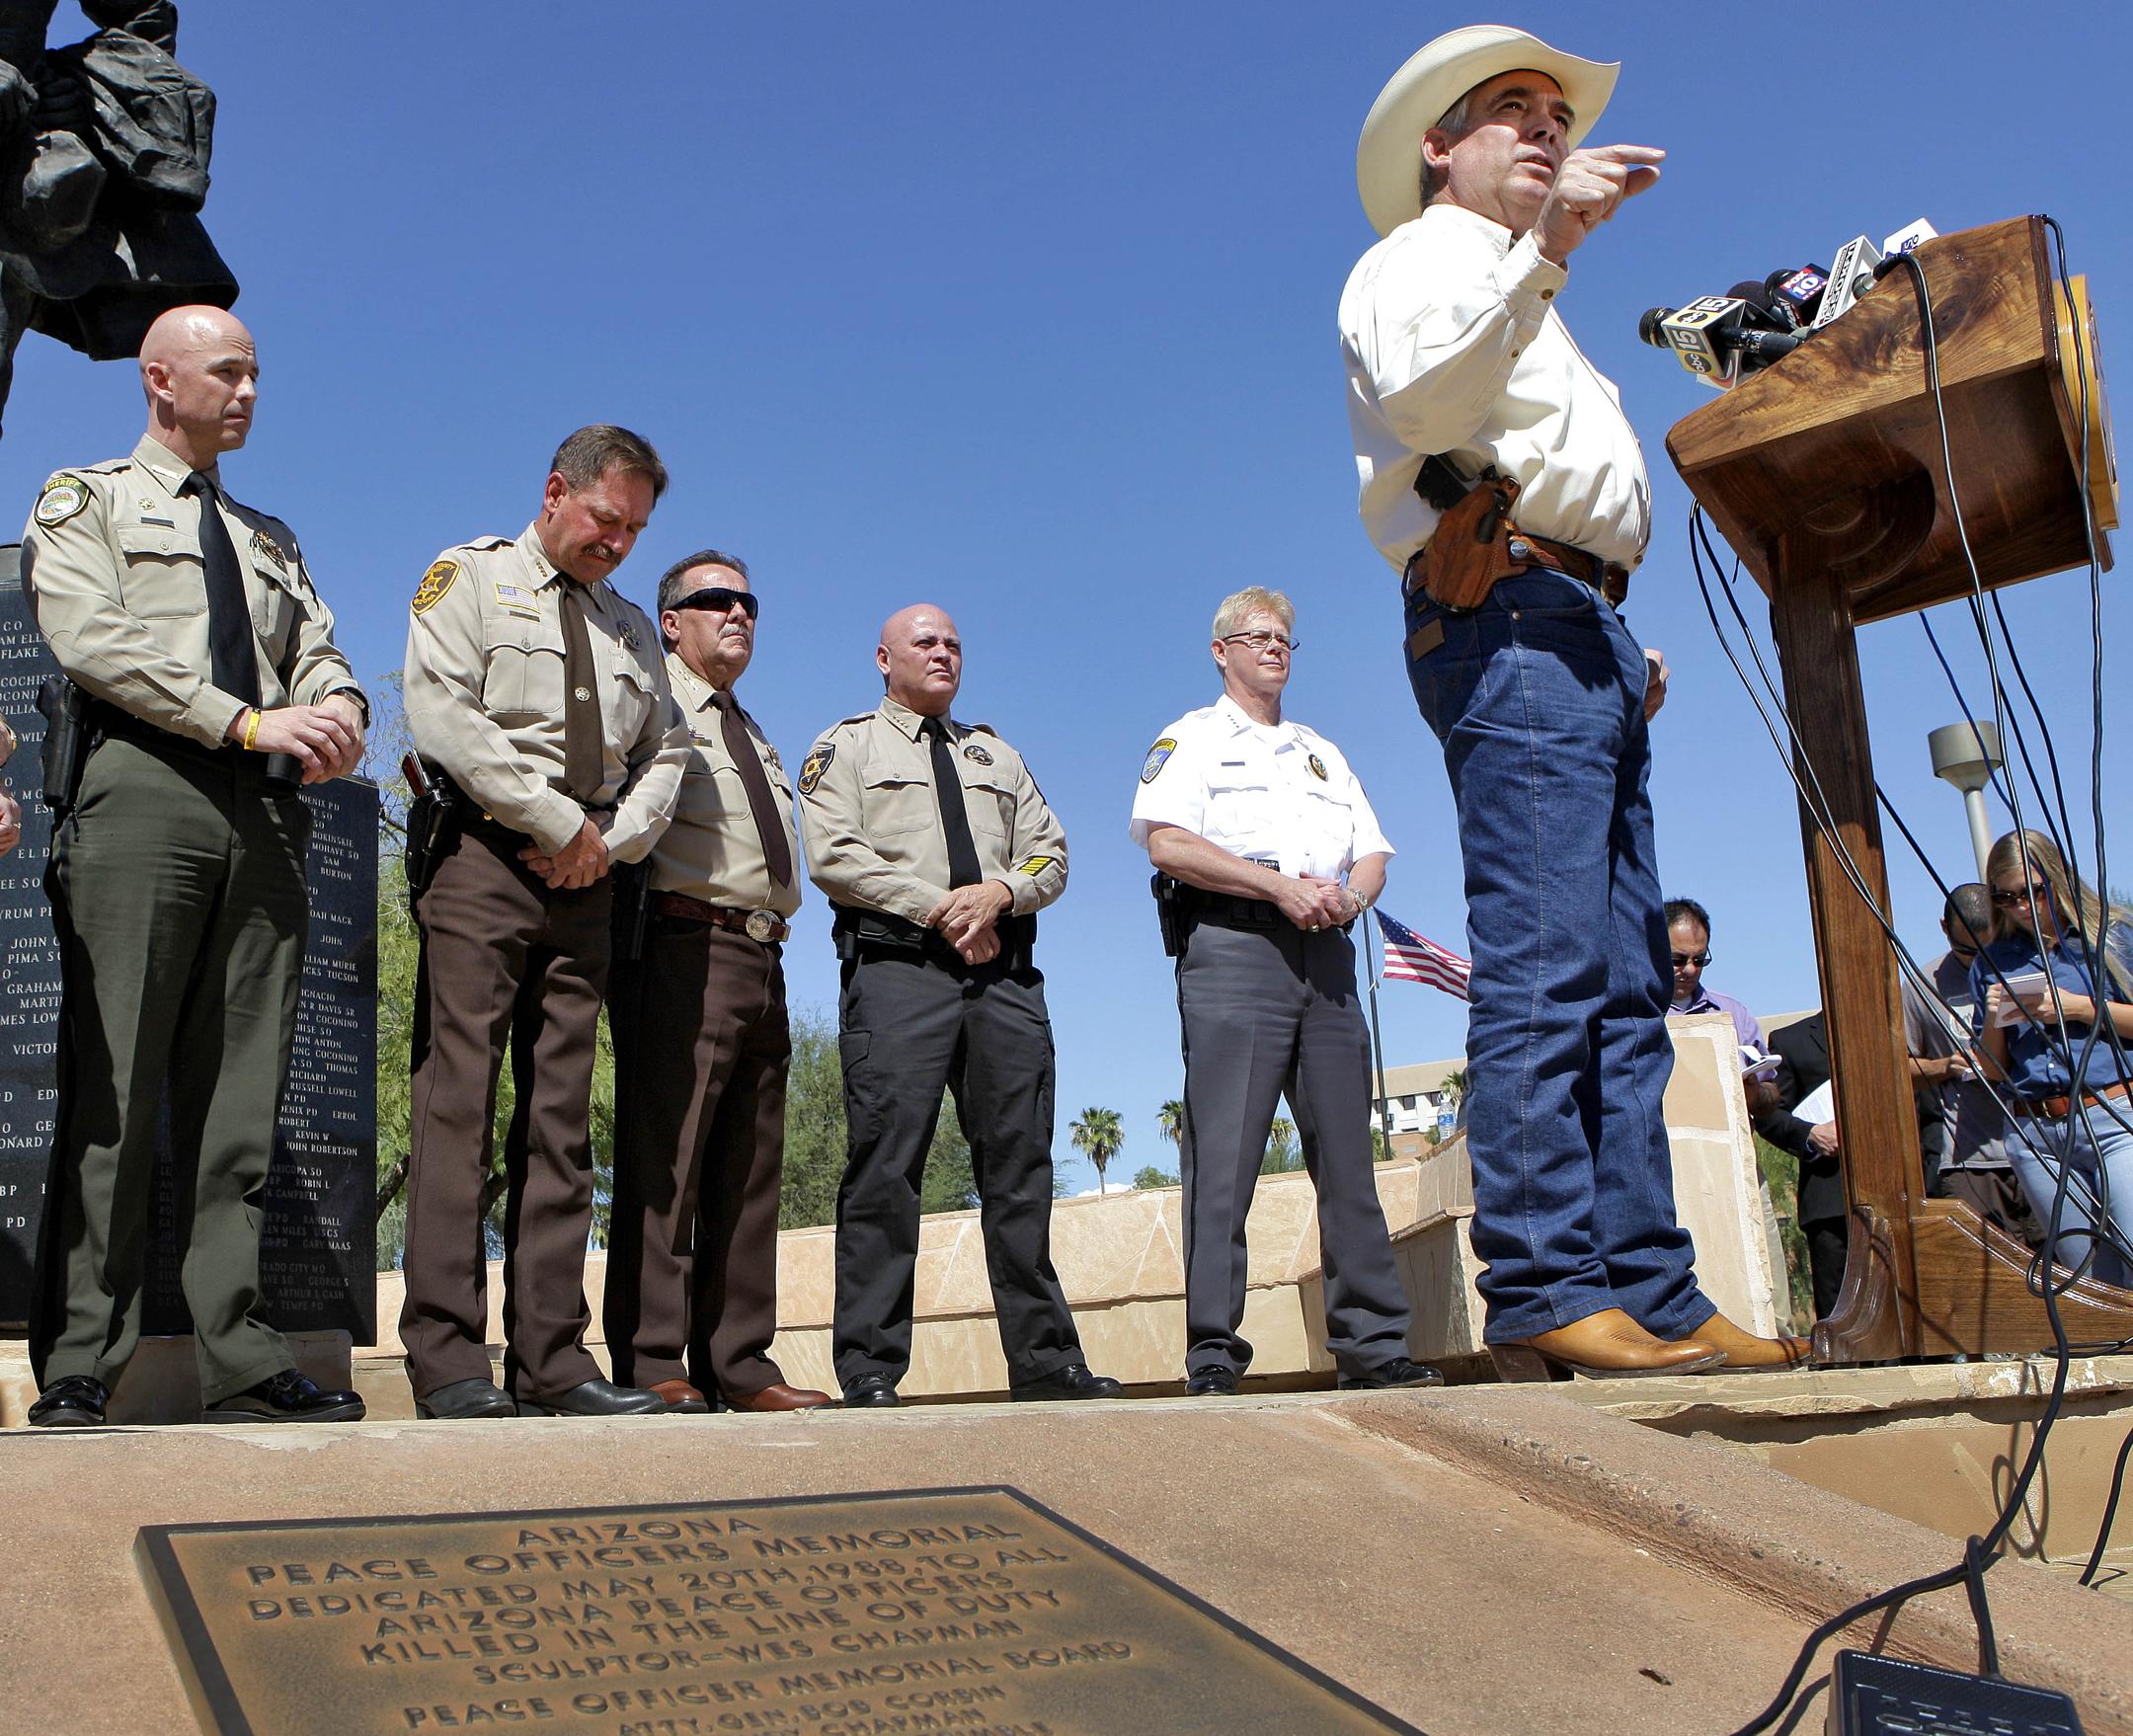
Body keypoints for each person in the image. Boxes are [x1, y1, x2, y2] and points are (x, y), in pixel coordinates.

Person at [1339, 26, 1803, 1376]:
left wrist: (1607, 613)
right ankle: (1544, 1282)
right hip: (1516, 613)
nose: (1547, 128)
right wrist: (1551, 251)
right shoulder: (1417, 263)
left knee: (1623, 982)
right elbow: (1430, 398)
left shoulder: (1520, 287)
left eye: (1557, 110)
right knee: (1548, 961)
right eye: (1511, 110)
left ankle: (1649, 1287)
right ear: (1439, 145)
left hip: (1578, 623)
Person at [23, 303, 367, 1427]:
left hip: (263, 818)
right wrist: (242, 720)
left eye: (257, 373)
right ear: (158, 382)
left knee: (239, 1097)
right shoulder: (88, 501)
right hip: (146, 793)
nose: (249, 392)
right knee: (115, 1085)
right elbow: (93, 640)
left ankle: (240, 1354)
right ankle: (83, 1358)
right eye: (227, 372)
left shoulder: (270, 535)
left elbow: (316, 645)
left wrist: (344, 710)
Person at [401, 425, 686, 1419]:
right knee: (458, 1108)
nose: (618, 543)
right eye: (607, 519)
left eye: (636, 531)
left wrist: (608, 840)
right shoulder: (468, 578)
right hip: (484, 861)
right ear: (557, 492)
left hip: (590, 883)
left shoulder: (633, 629)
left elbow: (668, 754)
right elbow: (443, 715)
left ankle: (554, 1364)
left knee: (563, 1123)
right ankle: (445, 1363)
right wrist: (559, 820)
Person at [797, 603, 1119, 1407]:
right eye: (924, 643)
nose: (942, 654)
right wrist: (945, 907)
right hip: (901, 975)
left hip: (1004, 983)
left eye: (953, 644)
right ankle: (869, 1368)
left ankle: (1046, 1361)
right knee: (886, 1172)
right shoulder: (847, 747)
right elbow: (835, 858)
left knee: (1021, 1173)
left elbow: (1053, 851)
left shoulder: (997, 755)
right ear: (883, 659)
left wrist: (1000, 892)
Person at [1132, 587, 1441, 1396]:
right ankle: (1212, 1354)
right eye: (1256, 636)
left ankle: (1373, 1349)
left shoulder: (1321, 752)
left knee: (1349, 1161)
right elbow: (1168, 842)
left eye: (1285, 640)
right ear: (1220, 651)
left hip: (1327, 954)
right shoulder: (1190, 739)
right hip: (1235, 951)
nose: (1273, 648)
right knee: (1225, 1160)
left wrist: (1353, 896)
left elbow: (1372, 852)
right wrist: (1275, 889)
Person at [602, 549, 830, 1415]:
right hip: (681, 943)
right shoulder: (650, 704)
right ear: (671, 621)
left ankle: (740, 1361)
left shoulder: (751, 729)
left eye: (749, 603)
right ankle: (652, 1357)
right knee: (671, 1158)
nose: (739, 614)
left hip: (766, 955)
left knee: (750, 1168)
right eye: (716, 601)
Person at [1973, 830, 2133, 1288]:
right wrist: (1992, 1018)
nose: (2022, 907)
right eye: (2006, 898)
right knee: (2091, 1282)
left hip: (2113, 1115)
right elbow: (1989, 1068)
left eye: (2032, 892)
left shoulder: (2110, 937)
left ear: (2057, 880)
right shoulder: (1993, 959)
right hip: (2035, 1132)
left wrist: (2080, 1008)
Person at [1903, 884, 2042, 1248]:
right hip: (1972, 1161)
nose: (1975, 960)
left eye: (1986, 947)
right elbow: (1898, 1070)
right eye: (1965, 950)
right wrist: (1945, 1066)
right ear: (1944, 929)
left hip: (2044, 1146)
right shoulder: (1921, 986)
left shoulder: (2031, 965)